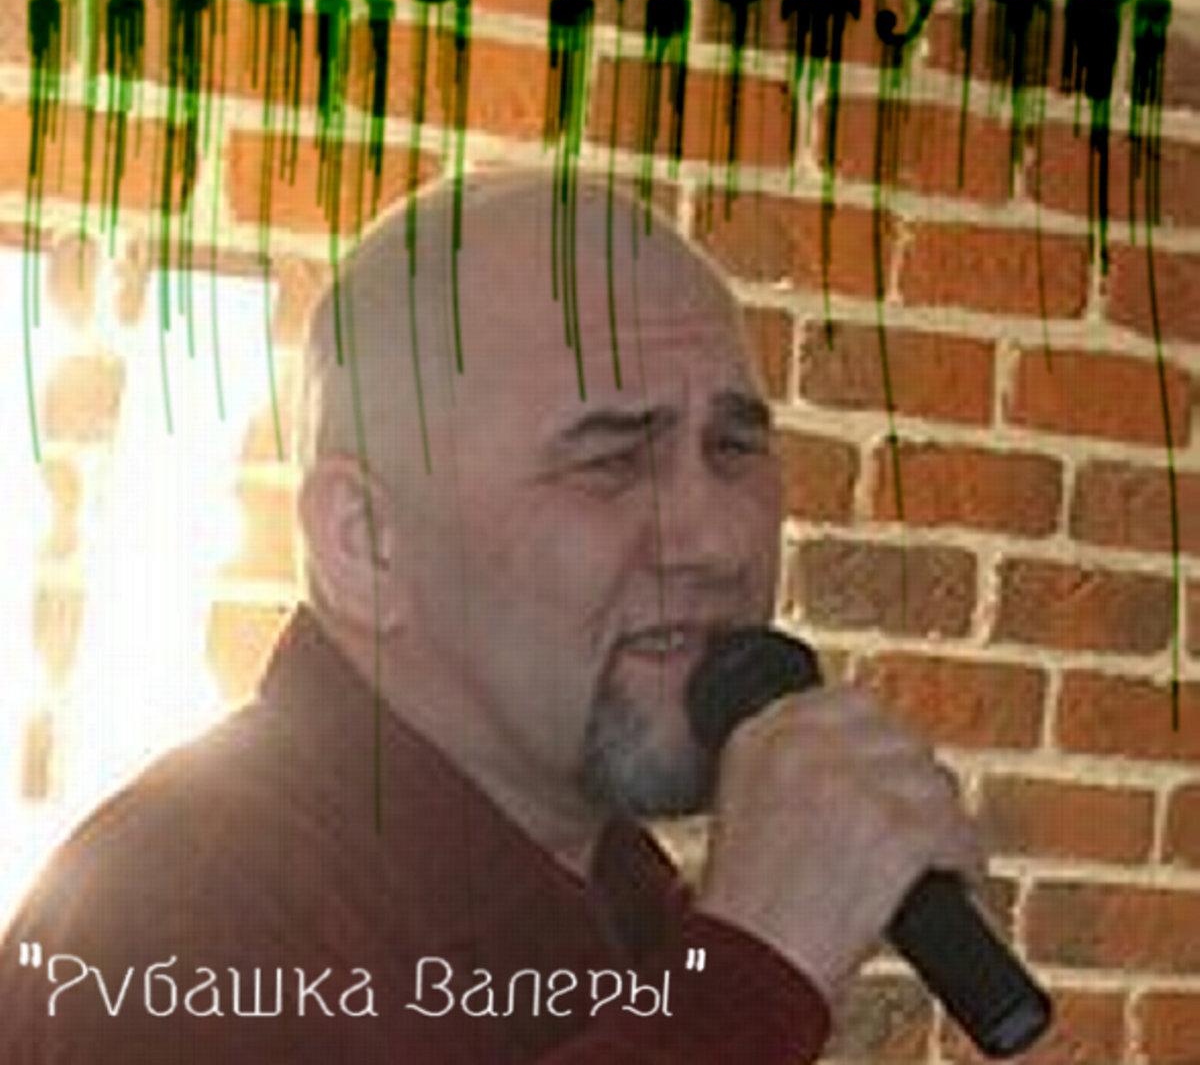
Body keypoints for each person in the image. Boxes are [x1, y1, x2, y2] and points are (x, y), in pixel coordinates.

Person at [0, 169, 986, 1062]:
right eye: (611, 461)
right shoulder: (177, 914)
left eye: (733, 449)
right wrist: (750, 979)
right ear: (365, 542)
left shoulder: (618, 895)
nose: (718, 539)